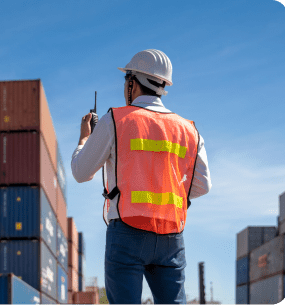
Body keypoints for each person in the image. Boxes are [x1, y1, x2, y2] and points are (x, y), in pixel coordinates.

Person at [71, 49, 212, 305]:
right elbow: (202, 186)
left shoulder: (116, 119)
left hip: (126, 232)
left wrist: (84, 139)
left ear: (133, 83)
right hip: (171, 234)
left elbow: (81, 172)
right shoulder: (190, 130)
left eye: (126, 79)